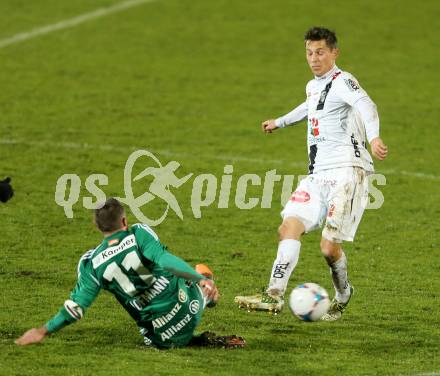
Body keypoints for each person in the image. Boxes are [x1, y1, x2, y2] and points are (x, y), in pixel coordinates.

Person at [235, 27, 388, 320]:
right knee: (288, 227)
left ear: (334, 53)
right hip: (317, 175)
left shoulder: (344, 81)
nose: (314, 59)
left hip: (346, 173)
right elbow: (310, 106)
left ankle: (343, 294)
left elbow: (366, 105)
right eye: (309, 52)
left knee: (329, 249)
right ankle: (274, 295)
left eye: (320, 52)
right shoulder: (313, 85)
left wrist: (375, 137)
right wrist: (280, 122)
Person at [16, 198, 245, 348]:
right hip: (189, 309)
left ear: (96, 227)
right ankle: (208, 297)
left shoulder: (90, 263)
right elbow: (166, 261)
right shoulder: (138, 233)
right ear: (124, 220)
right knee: (201, 271)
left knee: (153, 315)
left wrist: (42, 331)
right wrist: (200, 279)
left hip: (159, 337)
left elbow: (76, 308)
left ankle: (189, 337)